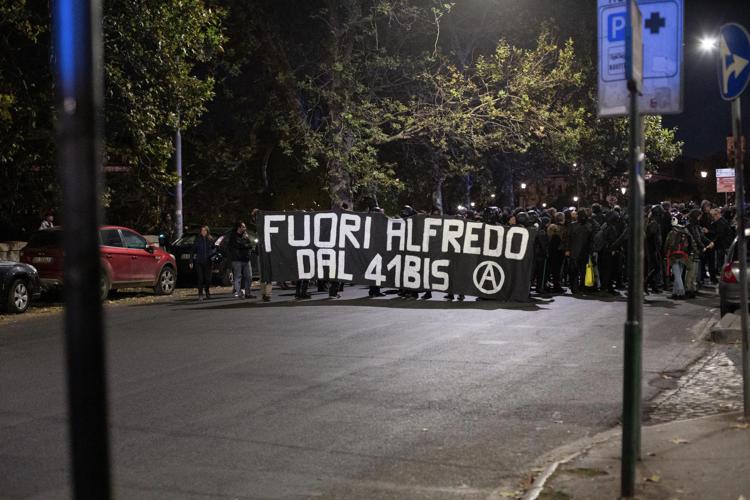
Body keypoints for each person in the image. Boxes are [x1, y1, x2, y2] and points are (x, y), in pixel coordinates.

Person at [664, 216, 696, 300]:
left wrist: (665, 253)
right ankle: (674, 293)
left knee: (677, 276)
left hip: (674, 256)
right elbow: (692, 243)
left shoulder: (672, 232)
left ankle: (681, 293)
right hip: (684, 256)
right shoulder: (686, 232)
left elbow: (667, 245)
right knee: (678, 275)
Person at [228, 221, 255, 299]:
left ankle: (248, 293)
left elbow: (250, 245)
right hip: (237, 260)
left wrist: (247, 242)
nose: (245, 228)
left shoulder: (245, 235)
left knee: (249, 277)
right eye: (243, 227)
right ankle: (239, 294)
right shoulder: (233, 236)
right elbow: (239, 245)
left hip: (246, 259)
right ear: (239, 228)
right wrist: (245, 245)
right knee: (238, 277)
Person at [189, 225, 214, 300]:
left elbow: (214, 249)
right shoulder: (197, 240)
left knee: (208, 279)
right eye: (202, 230)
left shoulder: (210, 239)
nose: (203, 232)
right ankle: (200, 294)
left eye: (205, 230)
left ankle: (207, 291)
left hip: (208, 262)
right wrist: (191, 261)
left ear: (207, 231)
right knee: (200, 279)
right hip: (199, 262)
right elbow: (192, 251)